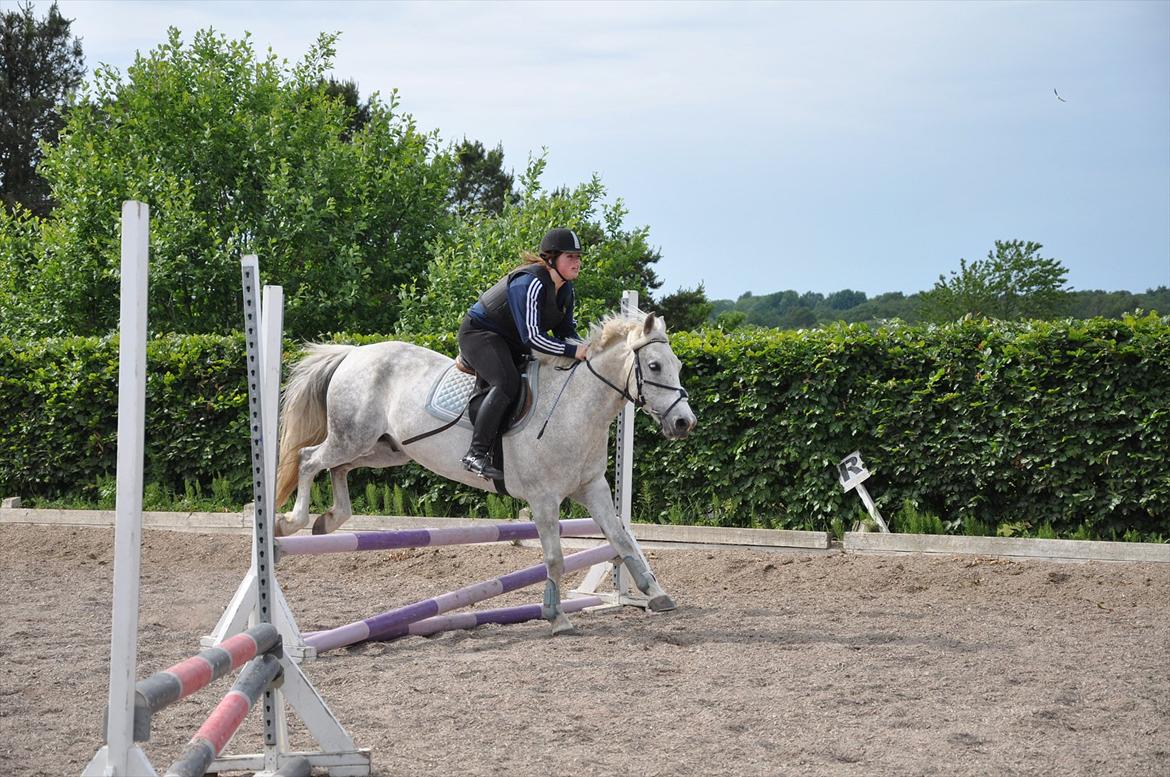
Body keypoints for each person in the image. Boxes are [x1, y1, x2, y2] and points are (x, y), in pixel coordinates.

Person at [456, 228, 590, 479]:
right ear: (551, 259)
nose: (577, 262)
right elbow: (534, 338)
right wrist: (575, 350)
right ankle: (476, 454)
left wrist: (589, 352)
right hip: (480, 334)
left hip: (510, 340)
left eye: (578, 257)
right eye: (570, 257)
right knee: (507, 383)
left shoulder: (566, 290)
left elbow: (566, 332)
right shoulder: (529, 283)